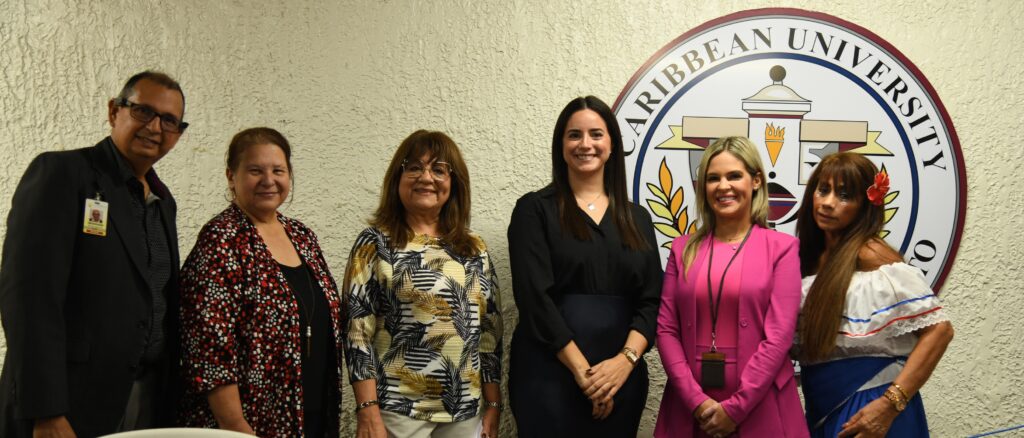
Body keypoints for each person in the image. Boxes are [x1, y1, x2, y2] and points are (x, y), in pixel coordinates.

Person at [0, 71, 188, 436]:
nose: (155, 127)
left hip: (143, 399)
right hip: (67, 404)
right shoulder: (63, 174)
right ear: (114, 111)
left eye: (169, 120)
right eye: (143, 111)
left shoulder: (163, 203)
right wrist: (46, 410)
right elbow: (29, 299)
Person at [507, 96, 662, 436]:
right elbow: (534, 300)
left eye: (596, 134)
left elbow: (651, 301)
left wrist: (625, 363)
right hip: (548, 376)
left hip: (622, 380)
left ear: (612, 144)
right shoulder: (534, 211)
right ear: (560, 145)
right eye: (574, 135)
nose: (585, 144)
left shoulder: (638, 218)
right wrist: (586, 374)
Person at [179, 128, 344, 437]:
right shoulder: (222, 239)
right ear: (232, 176)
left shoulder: (302, 235)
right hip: (250, 422)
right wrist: (235, 427)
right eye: (255, 170)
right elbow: (208, 346)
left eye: (278, 170)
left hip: (312, 410)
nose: (269, 180)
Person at [342, 130, 503, 438]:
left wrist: (494, 404)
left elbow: (489, 334)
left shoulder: (473, 248)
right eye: (414, 167)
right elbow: (356, 333)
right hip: (397, 410)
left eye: (439, 169)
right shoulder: (375, 243)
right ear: (397, 178)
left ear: (454, 183)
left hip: (464, 411)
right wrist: (367, 408)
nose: (426, 177)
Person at [655, 136, 808, 438]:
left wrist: (735, 409)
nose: (723, 186)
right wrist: (696, 402)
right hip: (690, 408)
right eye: (713, 178)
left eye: (734, 176)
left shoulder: (783, 248)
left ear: (756, 181)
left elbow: (779, 338)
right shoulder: (681, 248)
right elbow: (666, 329)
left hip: (762, 404)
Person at [795, 152, 953, 437]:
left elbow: (940, 332)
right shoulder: (807, 259)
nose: (828, 203)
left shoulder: (874, 255)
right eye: (823, 189)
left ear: (864, 206)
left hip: (871, 407)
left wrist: (890, 405)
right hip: (820, 409)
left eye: (844, 195)